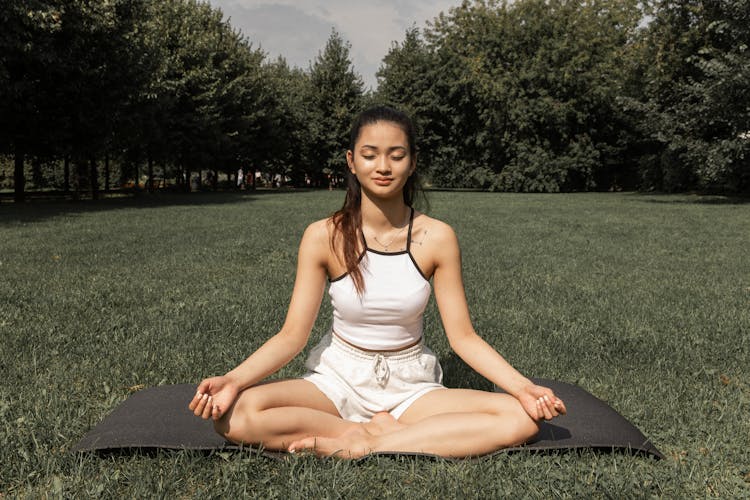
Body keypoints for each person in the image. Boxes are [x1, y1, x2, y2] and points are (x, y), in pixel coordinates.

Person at [189, 106, 566, 458]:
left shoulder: (437, 237)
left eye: (396, 155)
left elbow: (463, 338)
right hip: (338, 380)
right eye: (370, 155)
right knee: (235, 416)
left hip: (411, 385)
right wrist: (233, 380)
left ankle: (371, 442)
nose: (383, 166)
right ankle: (357, 432)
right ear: (352, 162)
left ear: (413, 162)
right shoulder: (324, 236)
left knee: (521, 418)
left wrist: (522, 387)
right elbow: (292, 336)